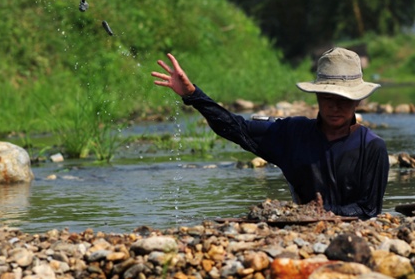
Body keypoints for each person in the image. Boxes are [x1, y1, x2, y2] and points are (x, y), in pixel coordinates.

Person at [151, 47, 389, 219]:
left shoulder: (372, 147)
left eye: (344, 101)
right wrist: (194, 95)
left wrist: (320, 213)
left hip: (353, 233)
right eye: (328, 99)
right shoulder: (292, 134)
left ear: (358, 101)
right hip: (300, 229)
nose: (335, 107)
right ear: (317, 97)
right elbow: (237, 129)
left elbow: (369, 210)